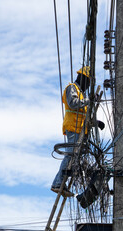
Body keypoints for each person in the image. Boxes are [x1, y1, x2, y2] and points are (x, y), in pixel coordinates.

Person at [51, 66, 91, 197]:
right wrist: (88, 100)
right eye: (88, 82)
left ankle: (62, 184)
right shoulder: (72, 88)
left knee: (74, 157)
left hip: (79, 128)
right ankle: (57, 183)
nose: (88, 86)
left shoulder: (81, 92)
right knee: (70, 155)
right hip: (73, 126)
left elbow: (83, 112)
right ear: (84, 78)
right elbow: (73, 103)